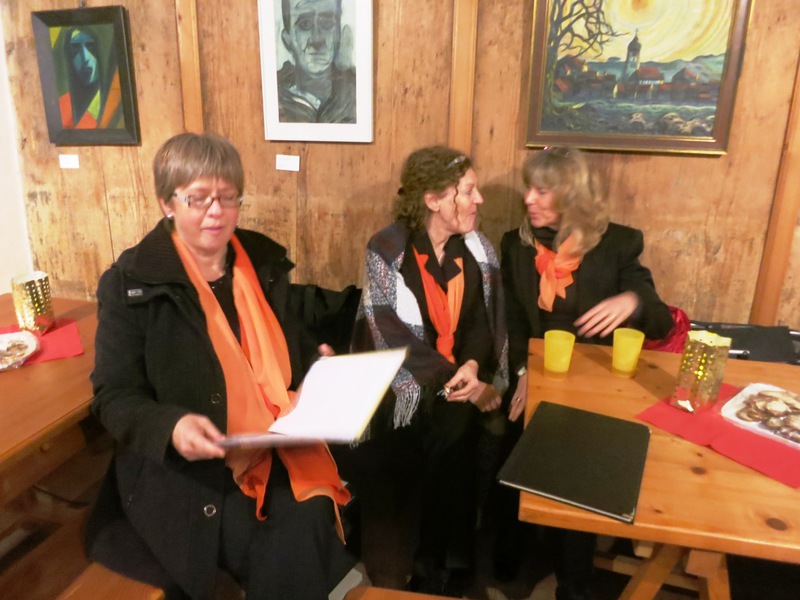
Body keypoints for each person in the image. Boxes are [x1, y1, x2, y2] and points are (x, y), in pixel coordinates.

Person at [85, 132, 353, 600]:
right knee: (281, 542)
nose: (216, 212)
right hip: (188, 471)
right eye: (198, 198)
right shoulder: (131, 283)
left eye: (228, 197)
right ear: (167, 203)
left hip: (274, 442)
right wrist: (171, 426)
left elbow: (288, 347)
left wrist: (318, 365)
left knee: (308, 514)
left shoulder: (261, 263)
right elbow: (113, 395)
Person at [496, 146, 674, 600]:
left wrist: (633, 300)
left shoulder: (618, 244)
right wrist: (523, 370)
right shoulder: (516, 244)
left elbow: (661, 323)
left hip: (594, 384)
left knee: (575, 452)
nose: (528, 199)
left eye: (542, 190)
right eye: (528, 188)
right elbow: (513, 323)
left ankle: (573, 584)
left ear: (572, 194)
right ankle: (514, 560)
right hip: (537, 372)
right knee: (514, 437)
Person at [344, 146, 509, 595]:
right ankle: (429, 560)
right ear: (433, 199)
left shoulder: (477, 250)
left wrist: (472, 367)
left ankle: (439, 563)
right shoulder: (387, 249)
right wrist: (462, 383)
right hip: (396, 384)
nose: (479, 200)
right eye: (468, 191)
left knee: (455, 427)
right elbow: (390, 335)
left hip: (454, 378)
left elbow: (481, 323)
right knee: (446, 429)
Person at [277, 0, 356, 123]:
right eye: (304, 24)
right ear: (287, 40)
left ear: (338, 35)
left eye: (327, 23)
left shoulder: (356, 94)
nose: (316, 39)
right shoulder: (275, 99)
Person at [59, 26, 123, 129]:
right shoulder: (61, 107)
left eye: (90, 46)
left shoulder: (113, 103)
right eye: (76, 48)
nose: (85, 58)